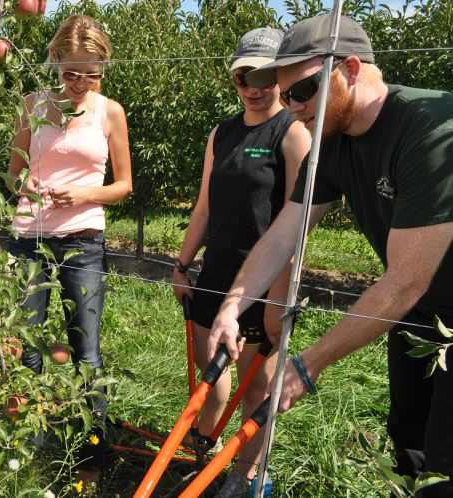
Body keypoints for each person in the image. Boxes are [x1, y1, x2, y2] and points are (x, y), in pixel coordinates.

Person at [209, 14, 453, 497]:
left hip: (436, 308)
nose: (291, 106)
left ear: (351, 69)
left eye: (302, 91)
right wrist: (233, 305)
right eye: (286, 94)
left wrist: (307, 364)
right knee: (409, 447)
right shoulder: (331, 141)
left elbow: (406, 279)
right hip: (420, 317)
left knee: (444, 472)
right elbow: (284, 234)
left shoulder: (429, 132)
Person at [172, 27, 311, 497]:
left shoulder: (292, 135)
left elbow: (298, 229)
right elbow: (205, 206)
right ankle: (204, 455)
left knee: (257, 390)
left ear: (281, 78)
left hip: (266, 282)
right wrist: (183, 263)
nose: (253, 87)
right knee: (210, 376)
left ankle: (247, 475)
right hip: (215, 276)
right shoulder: (222, 133)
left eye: (265, 77)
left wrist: (277, 299)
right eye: (242, 77)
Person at [6, 14, 132, 486]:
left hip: (83, 238)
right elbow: (12, 171)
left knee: (86, 349)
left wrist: (84, 195)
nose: (80, 82)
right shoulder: (32, 105)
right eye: (71, 72)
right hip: (29, 237)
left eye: (92, 73)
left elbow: (123, 185)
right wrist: (27, 187)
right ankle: (28, 443)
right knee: (29, 346)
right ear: (55, 60)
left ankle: (92, 453)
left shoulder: (109, 112)